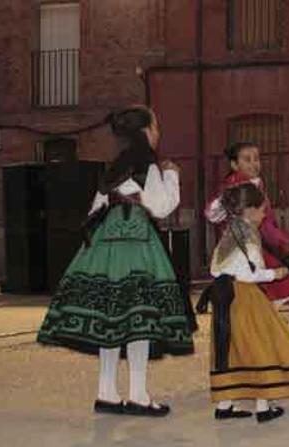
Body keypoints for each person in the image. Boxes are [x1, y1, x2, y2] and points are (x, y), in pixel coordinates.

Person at [37, 105, 193, 417]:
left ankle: (106, 393)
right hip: (136, 247)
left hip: (106, 247)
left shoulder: (114, 166)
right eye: (156, 126)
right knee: (139, 321)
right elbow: (162, 207)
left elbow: (95, 208)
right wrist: (173, 175)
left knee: (110, 322)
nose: (158, 133)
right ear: (146, 131)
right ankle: (138, 395)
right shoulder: (147, 164)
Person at [203, 183, 289, 423]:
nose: (264, 214)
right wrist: (276, 274)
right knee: (261, 345)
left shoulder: (230, 230)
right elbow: (251, 273)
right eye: (262, 209)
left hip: (224, 296)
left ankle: (225, 404)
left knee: (231, 347)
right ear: (250, 211)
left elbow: (216, 266)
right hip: (245, 296)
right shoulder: (249, 235)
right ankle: (263, 405)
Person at [205, 142, 289, 307]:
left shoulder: (254, 185)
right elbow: (213, 213)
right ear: (234, 164)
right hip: (243, 246)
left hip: (248, 244)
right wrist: (286, 243)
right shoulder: (236, 187)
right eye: (247, 159)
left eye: (256, 159)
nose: (254, 163)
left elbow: (266, 224)